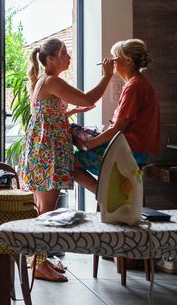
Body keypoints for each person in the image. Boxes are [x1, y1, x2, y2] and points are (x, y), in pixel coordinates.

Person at [20, 38, 114, 282]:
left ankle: (39, 260)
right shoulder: (52, 80)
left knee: (45, 209)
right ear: (50, 60)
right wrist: (107, 76)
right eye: (63, 53)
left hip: (49, 150)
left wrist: (68, 112)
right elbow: (88, 99)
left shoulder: (46, 80)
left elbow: (48, 111)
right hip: (48, 153)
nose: (69, 56)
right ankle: (39, 265)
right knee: (46, 212)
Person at [73, 39, 161, 193]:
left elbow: (118, 129)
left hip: (128, 153)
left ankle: (105, 195)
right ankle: (105, 193)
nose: (111, 62)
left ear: (127, 61)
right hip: (134, 150)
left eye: (114, 58)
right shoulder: (139, 84)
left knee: (68, 163)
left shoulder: (135, 86)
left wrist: (90, 144)